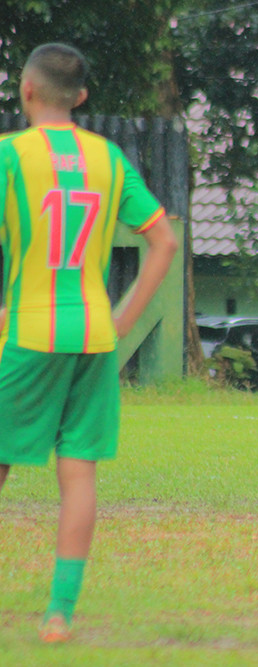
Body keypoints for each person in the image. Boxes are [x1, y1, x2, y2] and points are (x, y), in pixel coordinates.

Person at [0, 43, 178, 642]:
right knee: (78, 475)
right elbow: (165, 242)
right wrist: (123, 319)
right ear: (80, 98)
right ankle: (58, 614)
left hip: (30, 331)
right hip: (95, 335)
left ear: (25, 91)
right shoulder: (108, 159)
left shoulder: (10, 156)